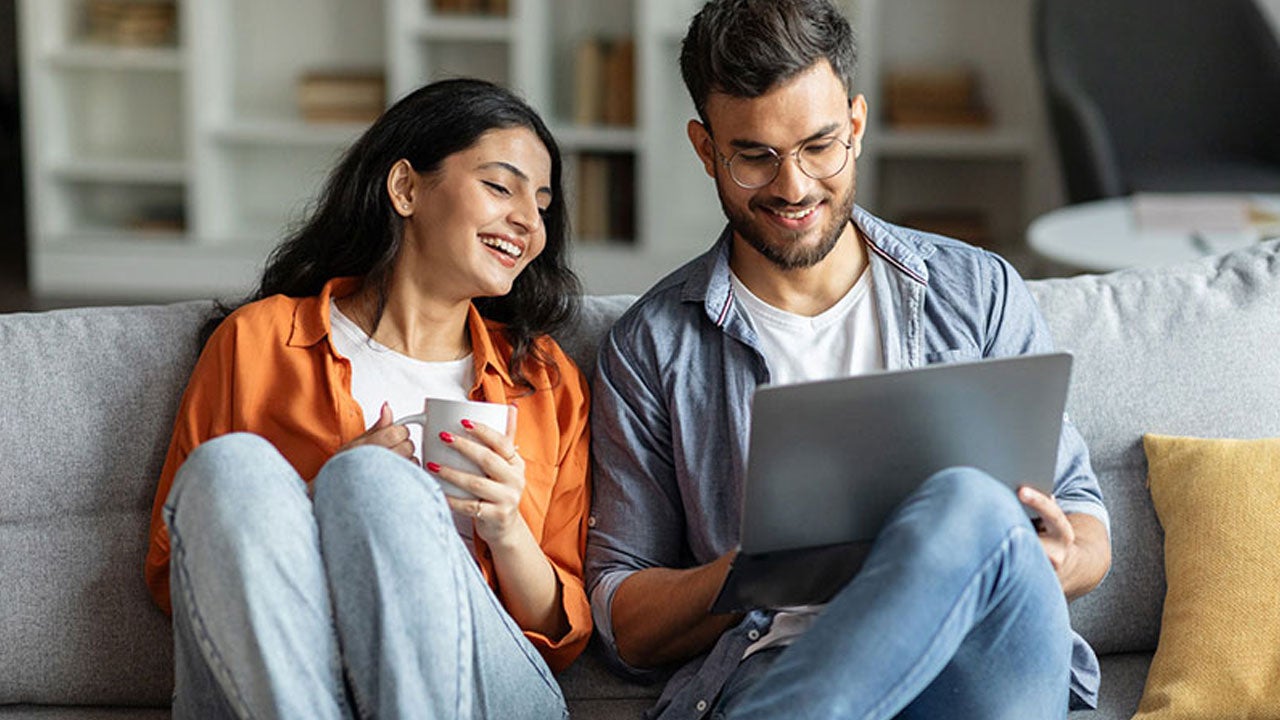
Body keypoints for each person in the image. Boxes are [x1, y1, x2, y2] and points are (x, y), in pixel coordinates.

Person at [585, 1, 1112, 718]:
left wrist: (1048, 556)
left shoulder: (977, 292)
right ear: (707, 150)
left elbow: (1083, 522)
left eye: (819, 146)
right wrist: (762, 568)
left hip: (978, 663)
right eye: (755, 156)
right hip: (781, 661)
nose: (794, 186)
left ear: (856, 126)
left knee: (969, 504)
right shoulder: (653, 348)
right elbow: (624, 620)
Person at [143, 78, 591, 719]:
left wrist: (505, 527)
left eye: (542, 203)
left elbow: (562, 634)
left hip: (483, 684)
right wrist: (321, 494)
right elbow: (176, 569)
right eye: (500, 186)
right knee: (232, 468)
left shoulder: (545, 380)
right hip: (295, 672)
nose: (529, 222)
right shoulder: (259, 343)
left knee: (372, 482)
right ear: (406, 187)